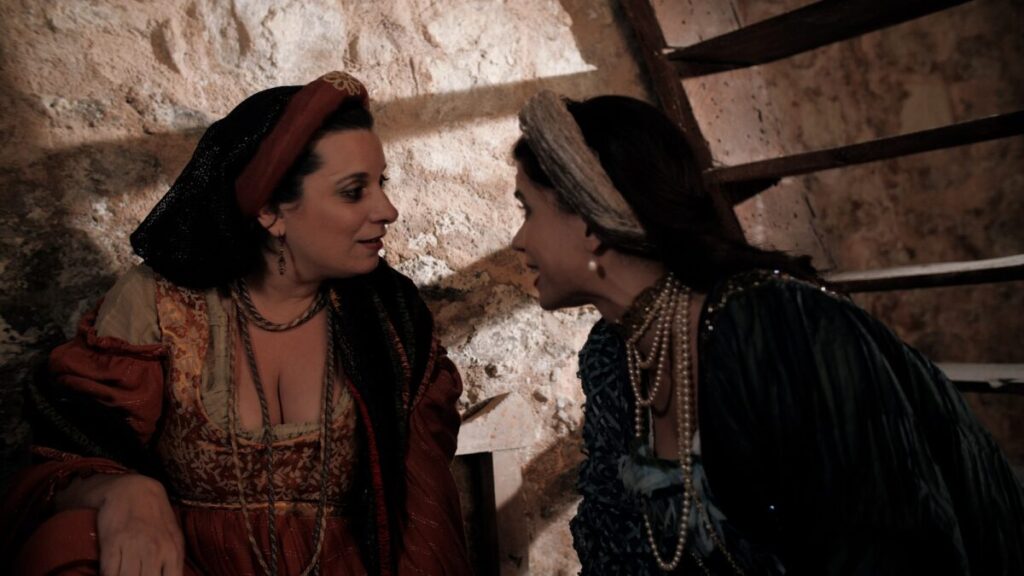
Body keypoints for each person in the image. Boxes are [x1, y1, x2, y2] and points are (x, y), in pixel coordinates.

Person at [510, 90, 1024, 575]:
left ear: (590, 223)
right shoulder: (613, 355)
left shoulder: (775, 327)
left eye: (528, 210)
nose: (518, 239)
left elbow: (892, 544)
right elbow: (616, 537)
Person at [1, 72, 471, 576]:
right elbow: (68, 448)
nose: (388, 210)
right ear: (270, 211)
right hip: (193, 566)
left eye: (383, 183)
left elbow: (423, 512)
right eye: (354, 191)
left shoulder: (391, 318)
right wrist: (123, 490)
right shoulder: (160, 304)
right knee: (70, 544)